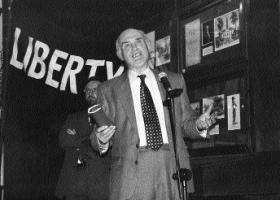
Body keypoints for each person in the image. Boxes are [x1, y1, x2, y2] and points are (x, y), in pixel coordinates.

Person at [90, 28, 216, 200]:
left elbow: (186, 123)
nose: (134, 49)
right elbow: (97, 134)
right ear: (120, 54)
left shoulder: (174, 80)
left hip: (171, 166)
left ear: (148, 45)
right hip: (132, 173)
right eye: (126, 46)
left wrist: (198, 125)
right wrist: (101, 139)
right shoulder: (108, 89)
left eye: (138, 42)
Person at [55, 77, 110, 200]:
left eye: (95, 90)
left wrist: (77, 138)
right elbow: (63, 141)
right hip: (73, 183)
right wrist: (91, 141)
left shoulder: (112, 116)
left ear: (104, 91)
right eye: (88, 90)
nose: (91, 93)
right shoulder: (73, 118)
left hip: (101, 185)